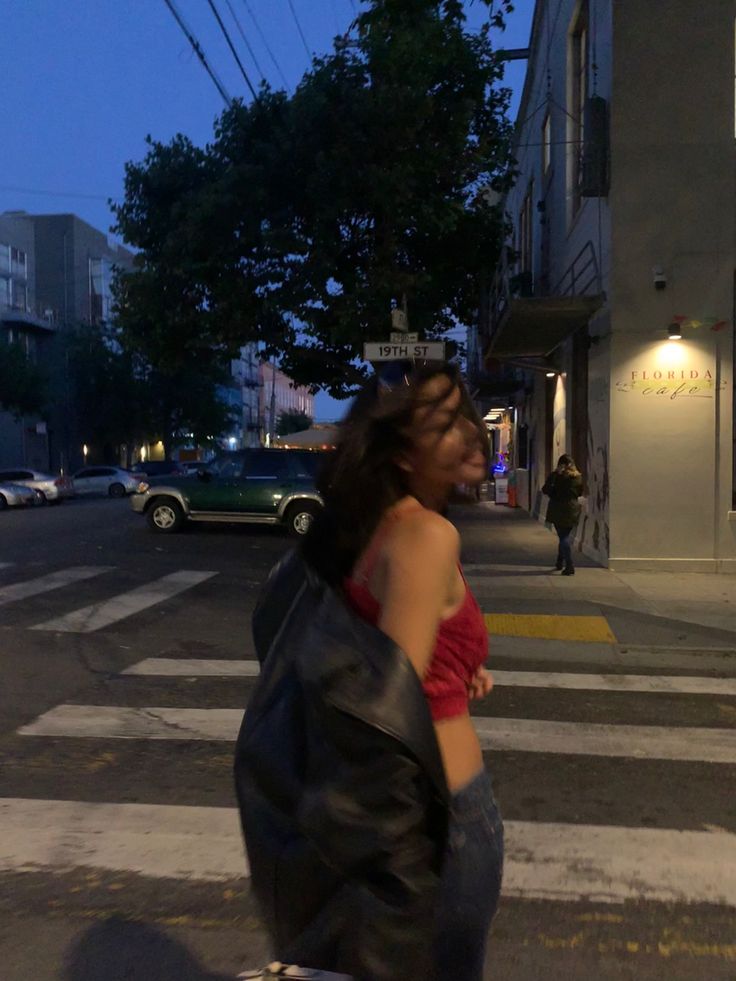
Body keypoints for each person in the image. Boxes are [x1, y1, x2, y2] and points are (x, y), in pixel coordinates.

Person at [234, 361, 503, 981]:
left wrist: (456, 666)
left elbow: (379, 659)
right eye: (446, 423)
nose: (472, 433)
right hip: (441, 819)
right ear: (403, 455)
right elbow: (386, 723)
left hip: (414, 815)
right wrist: (395, 881)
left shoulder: (368, 530)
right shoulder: (427, 535)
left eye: (466, 412)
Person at [542, 453, 584, 576]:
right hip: (572, 508)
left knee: (563, 537)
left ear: (560, 464)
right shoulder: (577, 477)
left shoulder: (557, 476)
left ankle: (569, 564)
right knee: (564, 536)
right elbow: (579, 492)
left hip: (558, 508)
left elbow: (545, 490)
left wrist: (555, 475)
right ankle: (559, 561)